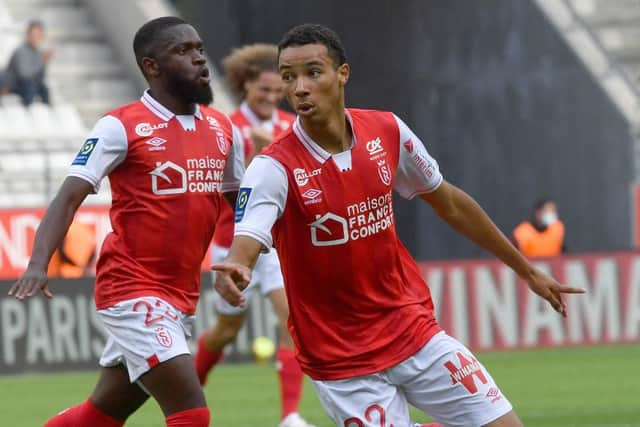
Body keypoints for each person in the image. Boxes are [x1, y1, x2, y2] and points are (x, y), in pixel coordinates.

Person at [212, 23, 585, 427]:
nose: (299, 87)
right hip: (343, 361)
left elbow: (451, 204)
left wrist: (527, 270)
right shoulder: (272, 167)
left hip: (414, 331)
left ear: (343, 74)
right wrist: (237, 264)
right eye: (289, 77)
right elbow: (248, 233)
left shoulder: (387, 131)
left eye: (313, 72)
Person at [8, 16, 244, 427]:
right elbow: (69, 195)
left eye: (200, 48)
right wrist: (37, 262)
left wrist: (253, 254)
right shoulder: (120, 126)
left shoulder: (223, 128)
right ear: (152, 67)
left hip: (179, 296)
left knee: (99, 416)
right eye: (183, 51)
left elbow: (238, 203)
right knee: (192, 413)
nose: (200, 59)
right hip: (132, 291)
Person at [193, 44, 313, 427]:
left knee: (292, 320)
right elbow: (223, 191)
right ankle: (189, 391)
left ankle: (290, 416)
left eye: (278, 90)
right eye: (264, 90)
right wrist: (258, 159)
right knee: (226, 331)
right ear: (245, 85)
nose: (272, 97)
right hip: (233, 244)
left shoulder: (289, 126)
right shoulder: (224, 128)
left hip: (277, 245)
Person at [3, 20, 52, 106]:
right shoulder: (21, 51)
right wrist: (42, 61)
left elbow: (40, 76)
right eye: (34, 35)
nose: (36, 38)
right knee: (30, 87)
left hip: (26, 84)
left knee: (43, 88)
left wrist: (44, 62)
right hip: (12, 85)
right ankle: (26, 112)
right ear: (28, 35)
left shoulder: (37, 52)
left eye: (38, 35)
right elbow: (24, 74)